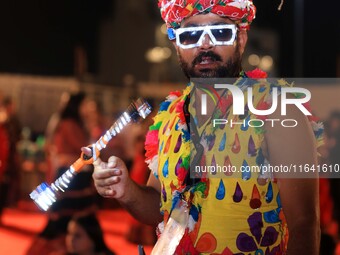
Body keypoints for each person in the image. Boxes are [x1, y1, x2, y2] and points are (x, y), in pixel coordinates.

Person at [91, 1, 323, 254]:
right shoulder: (169, 117)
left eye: (221, 32)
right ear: (177, 46)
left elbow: (304, 225)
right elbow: (160, 206)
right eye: (190, 35)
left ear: (241, 39)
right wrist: (125, 190)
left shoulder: (277, 109)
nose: (204, 44)